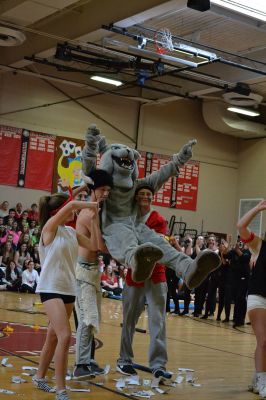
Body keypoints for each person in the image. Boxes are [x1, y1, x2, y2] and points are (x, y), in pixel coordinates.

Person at [32, 191, 98, 400]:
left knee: (53, 336)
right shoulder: (49, 229)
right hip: (50, 288)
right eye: (68, 208)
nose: (73, 211)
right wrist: (92, 203)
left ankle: (39, 376)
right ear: (57, 212)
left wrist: (94, 221)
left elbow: (94, 246)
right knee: (65, 336)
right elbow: (70, 208)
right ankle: (61, 390)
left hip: (69, 289)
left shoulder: (70, 232)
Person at [117, 184, 170, 378]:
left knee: (158, 321)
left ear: (152, 197)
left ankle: (158, 365)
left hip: (157, 275)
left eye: (148, 194)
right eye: (141, 194)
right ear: (135, 197)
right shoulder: (128, 219)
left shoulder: (159, 219)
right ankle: (124, 359)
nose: (145, 197)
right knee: (129, 319)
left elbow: (158, 247)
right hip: (135, 275)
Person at [74, 169, 113, 378]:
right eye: (102, 189)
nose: (106, 193)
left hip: (92, 271)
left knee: (92, 318)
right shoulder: (90, 214)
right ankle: (80, 364)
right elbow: (100, 247)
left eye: (108, 189)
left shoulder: (95, 210)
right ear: (93, 189)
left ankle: (87, 360)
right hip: (83, 271)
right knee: (86, 319)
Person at [237, 199, 266, 397]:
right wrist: (257, 208)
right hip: (258, 296)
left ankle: (257, 377)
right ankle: (263, 382)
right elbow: (241, 226)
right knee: (264, 341)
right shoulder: (260, 245)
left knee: (263, 344)